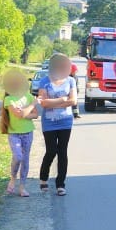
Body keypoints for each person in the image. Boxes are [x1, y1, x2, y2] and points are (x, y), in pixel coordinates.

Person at [37, 53, 77, 196]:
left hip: (65, 121)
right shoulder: (44, 81)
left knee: (62, 151)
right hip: (49, 122)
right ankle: (43, 178)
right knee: (51, 150)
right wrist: (62, 100)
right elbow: (43, 103)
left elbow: (73, 101)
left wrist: (54, 102)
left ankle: (60, 184)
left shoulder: (71, 81)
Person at [0, 70, 39, 197]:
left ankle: (22, 187)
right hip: (14, 134)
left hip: (28, 132)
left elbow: (36, 115)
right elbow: (19, 114)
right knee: (18, 157)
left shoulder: (28, 96)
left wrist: (25, 113)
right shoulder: (9, 99)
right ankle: (12, 178)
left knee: (25, 159)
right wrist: (31, 106)